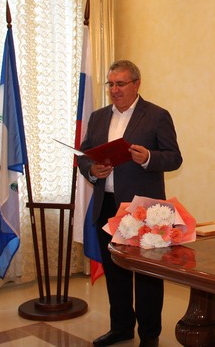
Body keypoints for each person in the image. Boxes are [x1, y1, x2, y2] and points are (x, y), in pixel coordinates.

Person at [78, 60, 182, 347]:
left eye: (121, 84)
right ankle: (121, 327)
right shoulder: (98, 117)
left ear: (136, 84)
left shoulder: (157, 115)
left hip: (143, 210)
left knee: (148, 276)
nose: (115, 90)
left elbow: (174, 157)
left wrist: (148, 157)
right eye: (111, 84)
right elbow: (84, 155)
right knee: (115, 271)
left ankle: (149, 335)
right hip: (107, 205)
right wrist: (92, 170)